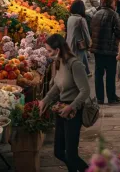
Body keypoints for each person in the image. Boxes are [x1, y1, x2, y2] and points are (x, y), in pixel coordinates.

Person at [40, 34, 90, 172]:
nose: (48, 54)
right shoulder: (60, 62)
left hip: (73, 112)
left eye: (50, 51)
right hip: (61, 109)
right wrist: (45, 100)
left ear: (58, 49)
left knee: (71, 154)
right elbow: (58, 85)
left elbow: (85, 91)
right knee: (59, 151)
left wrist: (71, 107)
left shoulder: (75, 64)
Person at [90, 0, 120, 105]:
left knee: (98, 74)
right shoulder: (114, 14)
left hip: (97, 49)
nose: (115, 4)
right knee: (110, 74)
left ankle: (99, 98)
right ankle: (111, 97)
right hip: (110, 49)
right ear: (110, 3)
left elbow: (92, 30)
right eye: (114, 2)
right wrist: (117, 41)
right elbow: (118, 31)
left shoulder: (96, 14)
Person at [66, 0, 92, 76]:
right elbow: (86, 33)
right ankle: (82, 73)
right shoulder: (81, 19)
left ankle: (87, 72)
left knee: (83, 56)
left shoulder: (70, 18)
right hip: (79, 44)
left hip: (69, 42)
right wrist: (89, 44)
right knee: (79, 59)